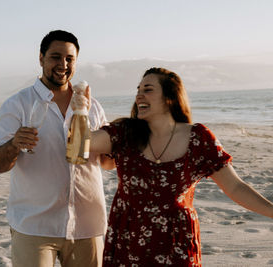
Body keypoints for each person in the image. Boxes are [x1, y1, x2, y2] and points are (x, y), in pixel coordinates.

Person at [71, 67, 273, 266]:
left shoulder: (198, 138)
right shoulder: (125, 133)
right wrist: (80, 110)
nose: (139, 96)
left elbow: (235, 187)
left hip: (177, 242)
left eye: (147, 90)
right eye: (138, 91)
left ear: (170, 97)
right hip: (128, 240)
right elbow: (79, 145)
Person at [0, 30, 112, 267]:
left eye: (69, 58)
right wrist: (14, 144)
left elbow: (107, 162)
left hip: (87, 225)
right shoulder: (17, 104)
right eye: (55, 57)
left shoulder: (93, 106)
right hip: (35, 225)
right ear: (41, 58)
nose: (63, 65)